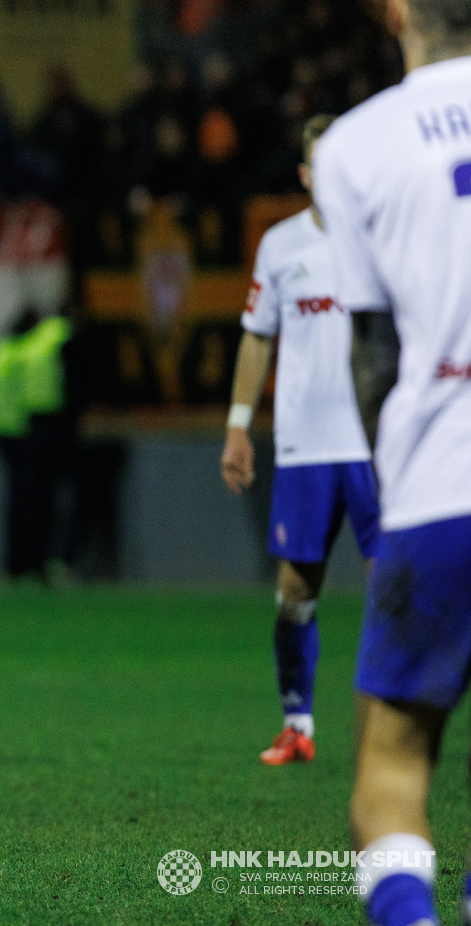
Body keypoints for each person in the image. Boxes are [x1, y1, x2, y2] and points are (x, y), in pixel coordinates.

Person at [315, 0, 471, 926]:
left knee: (389, 774)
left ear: (394, 10)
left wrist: (391, 488)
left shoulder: (353, 145)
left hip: (441, 483)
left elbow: (371, 351)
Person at [220, 115, 379, 768]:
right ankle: (299, 723)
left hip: (377, 445)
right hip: (305, 446)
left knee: (398, 583)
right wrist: (237, 422)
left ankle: (397, 726)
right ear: (307, 174)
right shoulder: (281, 246)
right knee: (293, 590)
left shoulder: (382, 236)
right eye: (324, 162)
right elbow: (257, 334)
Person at [0, 309, 72, 580]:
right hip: (23, 432)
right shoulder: (30, 351)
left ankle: (16, 563)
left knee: (20, 500)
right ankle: (30, 562)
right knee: (33, 501)